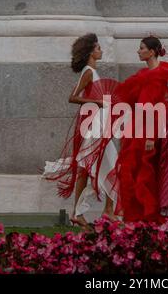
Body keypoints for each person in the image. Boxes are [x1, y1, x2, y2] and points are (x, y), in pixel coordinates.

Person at [103, 36, 168, 223]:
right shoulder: (147, 74)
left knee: (147, 170)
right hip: (140, 127)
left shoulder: (155, 76)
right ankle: (145, 214)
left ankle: (150, 213)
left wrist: (151, 137)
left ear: (151, 52)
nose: (138, 51)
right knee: (140, 170)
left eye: (141, 48)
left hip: (149, 130)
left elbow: (153, 107)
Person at [40, 33, 118, 229]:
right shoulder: (88, 71)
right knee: (101, 165)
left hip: (98, 123)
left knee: (99, 166)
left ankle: (89, 212)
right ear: (91, 52)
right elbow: (72, 97)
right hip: (94, 126)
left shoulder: (91, 71)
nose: (101, 51)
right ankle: (99, 211)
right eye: (98, 48)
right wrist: (99, 102)